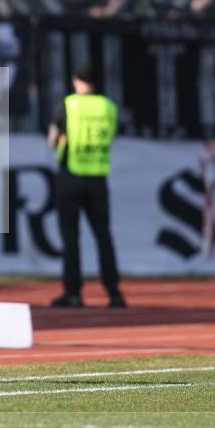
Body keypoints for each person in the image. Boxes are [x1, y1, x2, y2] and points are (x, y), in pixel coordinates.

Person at [48, 62, 126, 308]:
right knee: (104, 235)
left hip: (71, 175)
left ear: (76, 80)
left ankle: (73, 292)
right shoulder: (108, 107)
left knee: (71, 237)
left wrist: (61, 139)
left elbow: (52, 140)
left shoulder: (68, 105)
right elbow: (110, 138)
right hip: (98, 178)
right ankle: (114, 291)